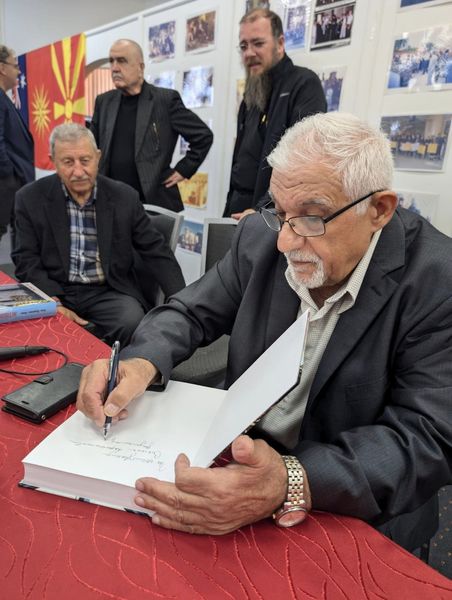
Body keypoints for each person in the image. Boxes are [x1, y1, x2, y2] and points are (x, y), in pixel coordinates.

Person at [76, 112, 452, 552]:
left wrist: (291, 479)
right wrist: (141, 362)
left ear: (379, 210)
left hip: (353, 501)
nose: (285, 242)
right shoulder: (260, 236)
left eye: (312, 217)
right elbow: (189, 312)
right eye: (280, 211)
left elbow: (427, 436)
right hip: (243, 454)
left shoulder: (437, 281)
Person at [12, 123, 185, 346]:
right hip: (54, 288)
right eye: (68, 162)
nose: (78, 172)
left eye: (85, 160)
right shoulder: (29, 198)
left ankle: (122, 367)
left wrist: (183, 304)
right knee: (36, 334)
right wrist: (52, 301)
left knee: (132, 322)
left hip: (108, 290)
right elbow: (25, 258)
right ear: (53, 161)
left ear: (98, 157)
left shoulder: (124, 197)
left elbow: (156, 251)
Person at [223, 8, 326, 219]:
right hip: (238, 208)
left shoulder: (303, 84)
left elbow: (302, 160)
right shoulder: (251, 93)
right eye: (243, 46)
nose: (249, 53)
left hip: (272, 214)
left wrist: (262, 210)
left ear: (280, 43)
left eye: (258, 43)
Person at [90, 39, 213, 212]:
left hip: (152, 203)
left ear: (140, 67)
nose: (115, 68)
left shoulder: (164, 100)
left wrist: (183, 169)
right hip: (110, 202)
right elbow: (91, 145)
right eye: (112, 61)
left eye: (122, 61)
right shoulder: (104, 102)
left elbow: (203, 135)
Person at [0, 45, 34, 243]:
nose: (19, 71)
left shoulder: (4, 98)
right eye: (15, 66)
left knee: (21, 232)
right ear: (2, 68)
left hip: (12, 180)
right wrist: (9, 175)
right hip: (7, 182)